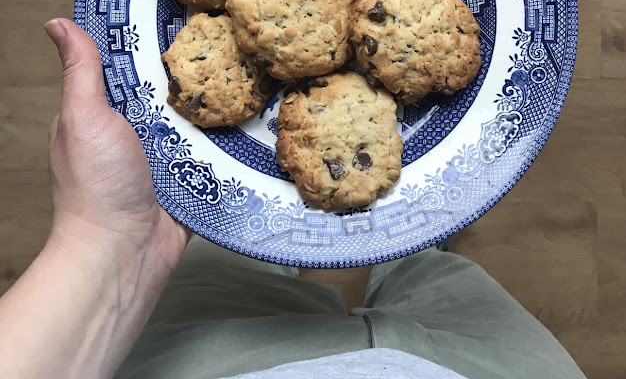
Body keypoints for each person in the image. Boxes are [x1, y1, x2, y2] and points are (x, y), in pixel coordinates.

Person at [0, 19, 587, 379]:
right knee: (445, 278)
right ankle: (416, 249)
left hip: (196, 358)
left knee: (221, 264)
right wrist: (107, 233)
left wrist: (103, 238)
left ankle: (400, 242)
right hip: (483, 368)